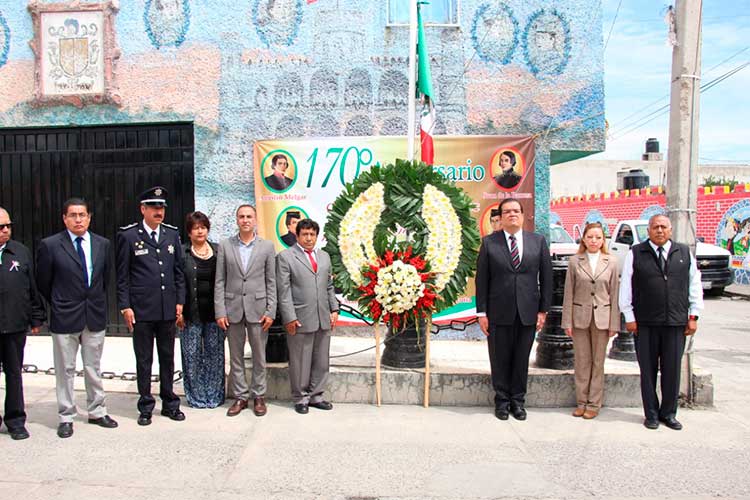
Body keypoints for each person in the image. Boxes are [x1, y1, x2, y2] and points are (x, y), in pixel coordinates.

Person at [36, 198, 119, 439]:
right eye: (73, 215)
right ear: (64, 218)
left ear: (89, 217)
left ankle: (97, 410)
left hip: (93, 315)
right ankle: (66, 415)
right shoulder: (50, 245)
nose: (78, 219)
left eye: (82, 214)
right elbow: (44, 282)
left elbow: (104, 280)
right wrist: (61, 302)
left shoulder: (102, 244)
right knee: (66, 369)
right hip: (65, 316)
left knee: (94, 368)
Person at [619, 214, 703, 430]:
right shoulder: (636, 253)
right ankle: (651, 414)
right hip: (645, 323)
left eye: (664, 227)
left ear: (670, 230)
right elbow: (626, 286)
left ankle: (669, 413)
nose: (659, 231)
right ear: (648, 230)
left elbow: (694, 284)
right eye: (655, 227)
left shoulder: (683, 252)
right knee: (647, 371)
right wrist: (629, 316)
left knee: (672, 370)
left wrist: (693, 316)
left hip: (675, 322)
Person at [475, 198, 552, 421]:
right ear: (500, 217)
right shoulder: (490, 243)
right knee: (499, 358)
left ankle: (518, 402)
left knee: (521, 359)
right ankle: (501, 401)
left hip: (528, 312)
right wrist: (482, 313)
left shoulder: (537, 242)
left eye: (516, 211)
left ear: (523, 215)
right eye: (507, 212)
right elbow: (482, 280)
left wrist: (543, 311)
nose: (512, 215)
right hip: (498, 312)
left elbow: (546, 278)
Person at [116, 186, 186, 426]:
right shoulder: (128, 236)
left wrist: (180, 302)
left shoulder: (171, 234)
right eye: (154, 207)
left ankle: (169, 403)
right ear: (143, 209)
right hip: (143, 310)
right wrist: (125, 306)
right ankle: (146, 405)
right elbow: (122, 275)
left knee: (167, 358)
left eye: (162, 207)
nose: (159, 212)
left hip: (167, 309)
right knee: (144, 360)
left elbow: (178, 271)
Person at [215, 205, 277, 417]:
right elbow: (220, 280)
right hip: (232, 309)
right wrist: (220, 311)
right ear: (236, 220)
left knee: (259, 355)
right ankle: (240, 396)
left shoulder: (267, 247)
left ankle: (259, 395)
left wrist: (271, 311)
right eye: (241, 216)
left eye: (249, 216)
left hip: (259, 310)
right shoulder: (225, 245)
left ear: (256, 220)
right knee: (236, 356)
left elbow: (271, 281)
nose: (245, 220)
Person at [276, 218, 339, 415]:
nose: (309, 238)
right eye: (305, 234)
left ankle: (316, 395)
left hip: (323, 317)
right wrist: (289, 318)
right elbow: (283, 291)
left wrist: (334, 309)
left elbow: (329, 287)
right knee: (300, 361)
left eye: (312, 234)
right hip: (299, 317)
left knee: (321, 360)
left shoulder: (325, 257)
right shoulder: (286, 257)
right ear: (297, 235)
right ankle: (301, 398)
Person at [561, 222, 620, 420]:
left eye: (598, 237)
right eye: (590, 237)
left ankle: (594, 403)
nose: (594, 240)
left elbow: (614, 295)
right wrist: (566, 321)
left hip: (602, 318)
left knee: (598, 362)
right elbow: (568, 292)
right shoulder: (574, 261)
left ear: (603, 240)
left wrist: (614, 324)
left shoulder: (611, 261)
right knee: (582, 361)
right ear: (584, 239)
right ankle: (581, 401)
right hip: (580, 318)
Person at [0, 207, 45, 440]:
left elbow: (32, 287)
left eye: (8, 225)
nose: (5, 230)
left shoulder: (20, 252)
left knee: (14, 373)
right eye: (0, 227)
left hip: (14, 324)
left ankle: (16, 420)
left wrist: (36, 316)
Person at [177, 211, 225, 408]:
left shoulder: (218, 251)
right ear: (189, 232)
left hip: (215, 314)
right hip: (190, 314)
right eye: (195, 228)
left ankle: (214, 396)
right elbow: (177, 282)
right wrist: (178, 311)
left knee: (215, 356)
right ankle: (196, 397)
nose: (200, 231)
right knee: (192, 356)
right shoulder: (182, 252)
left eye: (203, 227)